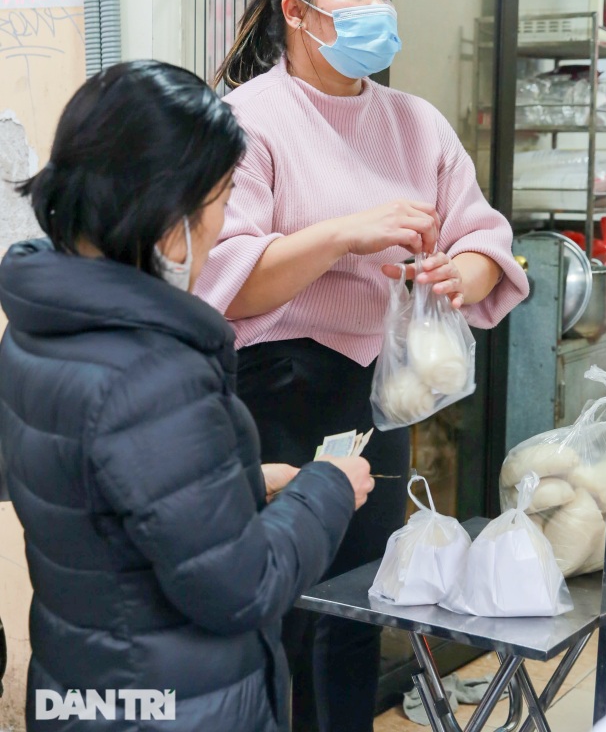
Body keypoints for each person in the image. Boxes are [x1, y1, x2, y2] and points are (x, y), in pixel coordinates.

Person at [194, 0, 530, 732]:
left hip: (374, 398)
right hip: (271, 394)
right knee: (277, 605)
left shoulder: (415, 121)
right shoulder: (247, 120)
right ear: (297, 15)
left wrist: (467, 270)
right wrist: (348, 233)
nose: (378, 5)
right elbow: (226, 280)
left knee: (358, 604)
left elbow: (483, 231)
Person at [0, 60, 374, 732]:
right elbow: (242, 587)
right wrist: (328, 490)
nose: (224, 222)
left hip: (83, 685)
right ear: (170, 220)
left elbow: (96, 492)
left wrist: (234, 484)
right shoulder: (154, 371)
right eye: (224, 197)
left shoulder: (38, 328)